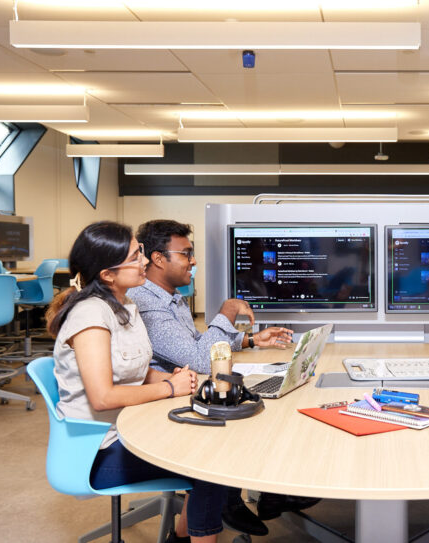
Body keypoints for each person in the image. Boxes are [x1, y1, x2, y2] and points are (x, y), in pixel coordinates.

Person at [127, 219, 318, 529]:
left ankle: (264, 493)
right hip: (166, 404)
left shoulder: (171, 297)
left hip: (190, 389)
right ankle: (241, 498)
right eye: (186, 254)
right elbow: (201, 358)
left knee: (268, 397)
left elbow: (194, 344)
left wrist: (250, 339)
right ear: (159, 259)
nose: (193, 261)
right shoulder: (147, 303)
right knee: (257, 410)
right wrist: (227, 311)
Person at [46, 221, 227, 543]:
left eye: (140, 252)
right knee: (213, 466)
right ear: (107, 275)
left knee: (218, 441)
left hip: (129, 428)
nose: (144, 261)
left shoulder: (125, 304)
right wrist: (169, 388)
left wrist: (172, 378)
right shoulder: (90, 317)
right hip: (97, 451)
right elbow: (103, 397)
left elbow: (136, 369)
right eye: (134, 257)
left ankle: (184, 537)